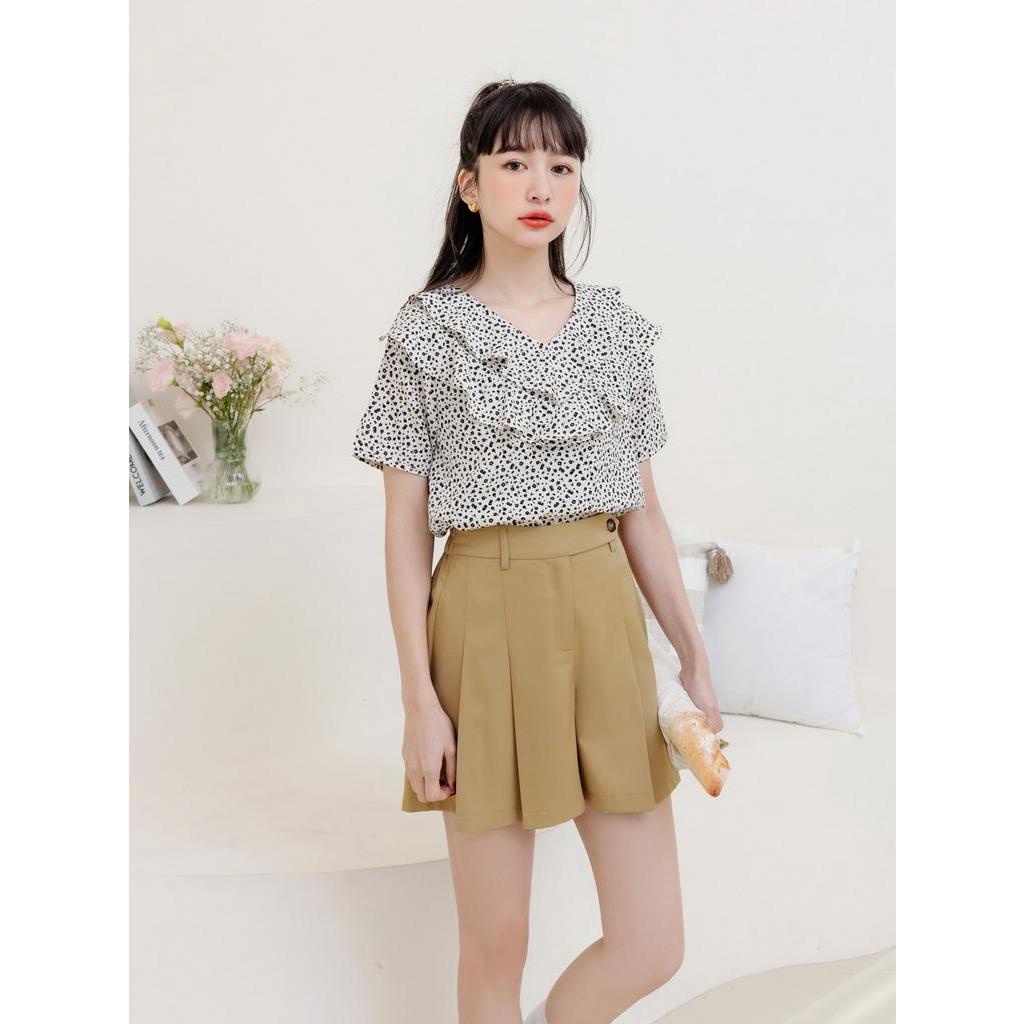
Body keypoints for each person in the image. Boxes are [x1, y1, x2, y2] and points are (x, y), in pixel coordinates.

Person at [352, 79, 723, 1024]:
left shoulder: (616, 330)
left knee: (652, 942)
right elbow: (404, 533)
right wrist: (419, 703)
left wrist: (692, 653)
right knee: (495, 947)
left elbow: (642, 512)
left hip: (604, 620)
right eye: (514, 161)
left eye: (561, 165)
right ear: (470, 184)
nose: (539, 185)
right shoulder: (426, 331)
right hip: (481, 620)